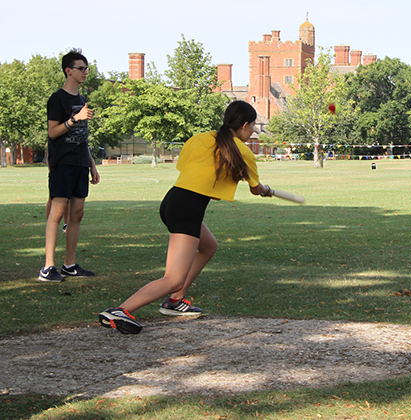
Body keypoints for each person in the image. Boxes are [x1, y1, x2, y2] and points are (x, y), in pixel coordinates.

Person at [99, 100, 273, 334]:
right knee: (173, 278)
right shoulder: (243, 152)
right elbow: (255, 188)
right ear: (244, 125)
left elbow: (186, 169)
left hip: (173, 200)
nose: (252, 131)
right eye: (252, 126)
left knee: (209, 246)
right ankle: (120, 310)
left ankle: (174, 301)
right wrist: (267, 190)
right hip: (187, 210)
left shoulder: (201, 138)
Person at [38, 49, 100, 282]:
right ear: (68, 71)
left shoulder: (81, 100)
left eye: (86, 69)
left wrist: (92, 164)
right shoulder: (58, 99)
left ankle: (69, 265)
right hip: (62, 163)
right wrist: (75, 118)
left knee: (77, 213)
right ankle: (48, 267)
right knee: (56, 213)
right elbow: (53, 132)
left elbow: (83, 137)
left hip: (80, 164)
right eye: (81, 69)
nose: (85, 73)